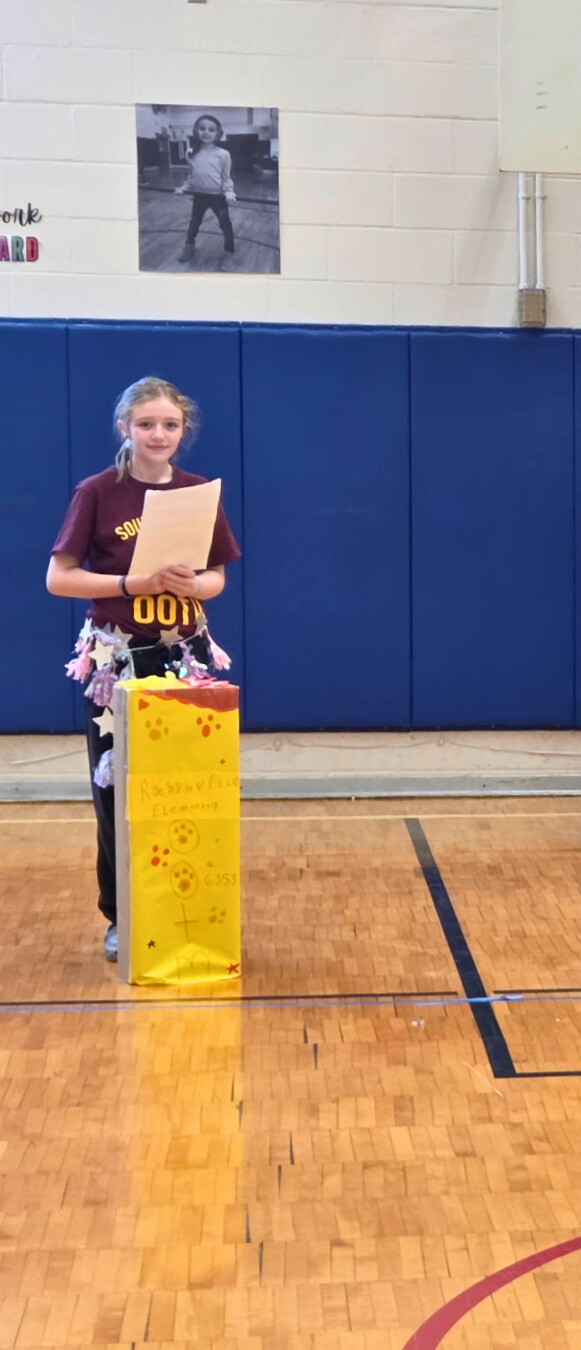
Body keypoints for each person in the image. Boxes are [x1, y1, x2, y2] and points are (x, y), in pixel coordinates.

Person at [46, 376, 239, 963]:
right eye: (147, 424)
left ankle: (187, 904)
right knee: (118, 792)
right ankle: (120, 915)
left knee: (188, 790)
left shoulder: (198, 490)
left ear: (184, 432)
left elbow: (217, 579)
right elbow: (59, 578)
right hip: (119, 662)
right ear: (125, 429)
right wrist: (132, 583)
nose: (159, 434)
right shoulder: (99, 492)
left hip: (187, 659)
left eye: (170, 425)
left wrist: (193, 583)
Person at [174, 114, 236, 265]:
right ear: (196, 130)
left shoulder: (224, 155)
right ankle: (189, 246)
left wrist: (228, 191)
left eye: (211, 129)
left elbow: (226, 177)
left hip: (218, 198)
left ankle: (229, 252)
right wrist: (184, 188)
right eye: (202, 128)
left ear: (218, 133)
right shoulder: (191, 153)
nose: (206, 132)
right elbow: (192, 176)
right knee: (194, 222)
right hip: (199, 196)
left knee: (225, 225)